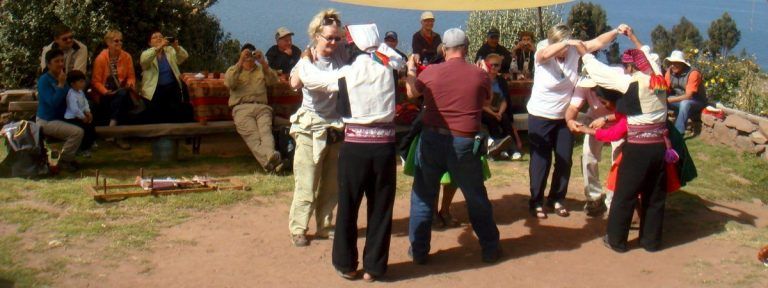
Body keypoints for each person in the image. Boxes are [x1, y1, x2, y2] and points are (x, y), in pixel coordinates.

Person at [300, 23, 404, 282]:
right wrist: (379, 47)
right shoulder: (389, 67)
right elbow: (399, 59)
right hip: (384, 147)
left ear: (354, 45)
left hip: (355, 146)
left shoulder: (347, 72)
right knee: (381, 208)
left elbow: (312, 79)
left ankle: (346, 264)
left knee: (348, 205)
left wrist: (304, 60)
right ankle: (374, 267)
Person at [404, 28, 502, 264]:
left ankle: (419, 251)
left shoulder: (431, 72)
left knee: (423, 196)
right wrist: (483, 73)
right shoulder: (479, 75)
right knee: (476, 196)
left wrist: (410, 70)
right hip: (465, 141)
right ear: (466, 49)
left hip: (432, 139)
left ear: (444, 49)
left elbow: (411, 93)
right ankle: (490, 248)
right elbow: (488, 99)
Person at [580, 26, 671, 253]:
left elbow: (600, 73)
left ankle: (616, 240)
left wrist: (585, 55)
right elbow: (649, 56)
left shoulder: (631, 83)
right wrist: (633, 37)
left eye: (627, 66)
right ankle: (651, 242)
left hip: (638, 148)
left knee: (625, 194)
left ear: (631, 67)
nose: (625, 70)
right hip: (660, 146)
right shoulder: (658, 79)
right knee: (654, 195)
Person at [526, 23, 627, 219]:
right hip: (540, 115)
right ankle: (536, 201)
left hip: (564, 117)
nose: (565, 51)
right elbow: (543, 55)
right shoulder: (543, 48)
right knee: (541, 160)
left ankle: (557, 199)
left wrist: (616, 31)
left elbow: (598, 42)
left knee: (564, 160)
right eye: (563, 46)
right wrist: (566, 42)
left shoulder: (572, 50)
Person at [287, 9, 348, 247]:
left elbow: (358, 39)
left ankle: (324, 225)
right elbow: (294, 83)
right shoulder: (307, 58)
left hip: (335, 127)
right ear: (316, 36)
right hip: (310, 127)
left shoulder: (340, 54)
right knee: (307, 182)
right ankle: (298, 228)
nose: (333, 42)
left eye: (337, 38)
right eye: (329, 38)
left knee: (332, 182)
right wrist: (302, 64)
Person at [565, 68, 626, 217]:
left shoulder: (618, 80)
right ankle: (594, 197)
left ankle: (614, 200)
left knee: (618, 161)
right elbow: (573, 107)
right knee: (588, 156)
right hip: (594, 120)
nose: (592, 90)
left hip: (619, 122)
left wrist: (605, 119)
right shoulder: (583, 85)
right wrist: (570, 120)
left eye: (594, 86)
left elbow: (625, 112)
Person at [224, 43, 283, 172]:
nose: (249, 56)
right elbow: (229, 83)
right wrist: (240, 62)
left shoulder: (262, 69)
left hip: (262, 107)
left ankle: (271, 161)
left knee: (266, 133)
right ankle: (272, 162)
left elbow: (274, 81)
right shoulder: (234, 70)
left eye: (251, 53)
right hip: (242, 108)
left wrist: (263, 62)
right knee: (253, 137)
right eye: (246, 54)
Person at [37, 49, 84, 172]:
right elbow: (53, 103)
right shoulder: (44, 80)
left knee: (86, 125)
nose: (60, 64)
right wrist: (61, 85)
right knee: (77, 132)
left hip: (62, 117)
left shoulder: (62, 77)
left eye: (62, 61)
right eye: (56, 61)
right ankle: (65, 160)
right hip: (47, 120)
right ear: (49, 64)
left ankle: (77, 154)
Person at [90, 29, 136, 149]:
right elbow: (95, 81)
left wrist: (130, 84)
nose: (119, 43)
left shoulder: (127, 57)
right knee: (121, 99)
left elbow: (131, 77)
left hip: (121, 91)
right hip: (105, 94)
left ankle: (112, 128)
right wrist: (105, 92)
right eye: (116, 41)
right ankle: (118, 136)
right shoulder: (101, 59)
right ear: (108, 42)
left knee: (122, 95)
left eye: (121, 41)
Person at [140, 30, 192, 123]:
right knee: (155, 115)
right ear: (149, 43)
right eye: (155, 37)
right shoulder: (146, 53)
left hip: (171, 86)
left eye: (160, 36)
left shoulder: (169, 50)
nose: (158, 38)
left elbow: (184, 57)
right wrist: (159, 47)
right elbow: (144, 61)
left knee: (175, 111)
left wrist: (176, 47)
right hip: (154, 89)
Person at [479, 53, 523, 160]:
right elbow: (480, 103)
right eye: (491, 65)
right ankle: (499, 149)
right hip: (485, 111)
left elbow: (504, 100)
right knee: (492, 120)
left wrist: (499, 113)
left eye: (497, 65)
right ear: (487, 65)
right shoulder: (482, 80)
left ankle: (512, 149)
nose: (494, 67)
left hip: (499, 110)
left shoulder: (501, 80)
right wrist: (494, 114)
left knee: (505, 119)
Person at [664, 50, 707, 134]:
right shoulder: (669, 72)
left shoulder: (693, 73)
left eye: (676, 63)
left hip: (696, 101)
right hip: (678, 99)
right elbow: (665, 89)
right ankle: (661, 128)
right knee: (659, 101)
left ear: (683, 64)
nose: (673, 65)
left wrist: (668, 100)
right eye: (671, 63)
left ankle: (678, 133)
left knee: (685, 103)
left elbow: (688, 96)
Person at [63, 70, 96, 157]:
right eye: (80, 82)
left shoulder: (81, 92)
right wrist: (82, 117)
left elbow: (85, 103)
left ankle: (91, 142)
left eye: (83, 81)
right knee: (84, 129)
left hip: (81, 115)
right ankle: (83, 149)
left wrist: (87, 111)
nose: (83, 83)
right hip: (72, 118)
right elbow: (74, 109)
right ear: (72, 84)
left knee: (91, 124)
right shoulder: (71, 95)